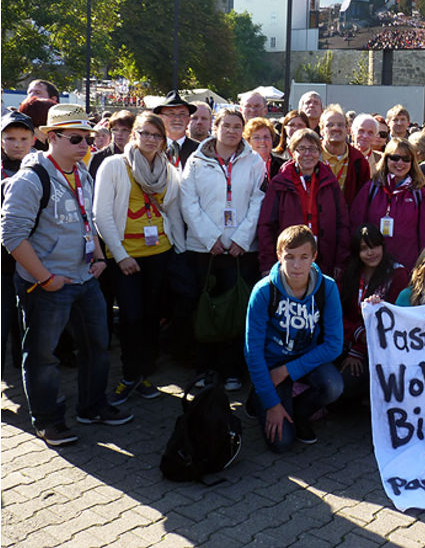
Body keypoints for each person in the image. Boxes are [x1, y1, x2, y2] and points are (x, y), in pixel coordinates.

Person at [1, 104, 132, 446]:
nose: (85, 144)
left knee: (97, 346)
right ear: (53, 138)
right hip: (48, 285)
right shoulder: (30, 179)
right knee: (43, 355)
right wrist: (46, 278)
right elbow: (12, 236)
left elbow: (90, 219)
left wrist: (100, 257)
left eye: (87, 137)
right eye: (76, 138)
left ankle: (92, 405)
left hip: (85, 278)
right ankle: (47, 420)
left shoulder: (82, 173)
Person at [93, 112, 185, 405]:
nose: (150, 140)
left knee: (150, 317)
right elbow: (101, 214)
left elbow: (171, 210)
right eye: (145, 133)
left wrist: (177, 249)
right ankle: (129, 375)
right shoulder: (114, 165)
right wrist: (120, 257)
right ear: (134, 134)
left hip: (159, 253)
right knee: (130, 317)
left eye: (156, 135)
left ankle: (143, 374)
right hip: (126, 257)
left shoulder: (167, 169)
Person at [180, 108, 265, 391]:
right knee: (205, 309)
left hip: (241, 251)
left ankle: (231, 369)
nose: (231, 131)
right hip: (204, 250)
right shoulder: (196, 160)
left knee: (235, 310)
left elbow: (258, 200)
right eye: (226, 125)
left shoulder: (254, 161)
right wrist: (210, 237)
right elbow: (188, 202)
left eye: (236, 126)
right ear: (216, 128)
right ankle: (204, 368)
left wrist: (241, 238)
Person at [244, 225, 344, 452]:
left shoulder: (327, 288)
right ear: (279, 256)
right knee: (281, 443)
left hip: (304, 360)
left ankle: (299, 413)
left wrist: (287, 371)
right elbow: (253, 352)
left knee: (334, 386)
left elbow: (334, 345)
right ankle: (261, 396)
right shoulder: (263, 292)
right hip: (272, 364)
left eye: (304, 257)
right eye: (289, 257)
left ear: (314, 257)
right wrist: (272, 404)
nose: (296, 265)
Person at [257, 128, 349, 278]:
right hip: (290, 260)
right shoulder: (279, 183)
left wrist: (341, 261)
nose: (308, 154)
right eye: (302, 149)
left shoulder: (330, 182)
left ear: (319, 152)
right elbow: (266, 225)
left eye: (312, 149)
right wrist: (267, 263)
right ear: (292, 152)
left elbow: (342, 223)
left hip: (324, 259)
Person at [336, 225, 409, 401]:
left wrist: (359, 351)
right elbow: (336, 313)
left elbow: (392, 319)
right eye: (364, 248)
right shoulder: (349, 273)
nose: (371, 252)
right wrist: (356, 336)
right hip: (347, 341)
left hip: (378, 349)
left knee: (344, 388)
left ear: (383, 246)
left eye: (375, 246)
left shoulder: (397, 274)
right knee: (329, 383)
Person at [350, 138, 425, 271]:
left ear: (412, 163)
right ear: (386, 159)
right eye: (395, 157)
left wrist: (422, 265)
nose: (400, 163)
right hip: (372, 267)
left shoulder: (419, 194)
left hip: (407, 266)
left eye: (406, 159)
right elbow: (356, 224)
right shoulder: (371, 188)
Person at [1, 111, 35, 375]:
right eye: (10, 138)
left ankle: (25, 371)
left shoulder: (41, 170)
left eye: (23, 138)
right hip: (3, 262)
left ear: (33, 140)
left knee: (29, 325)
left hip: (31, 260)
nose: (17, 144)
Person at [320, 105, 370, 208]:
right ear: (321, 130)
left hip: (346, 220)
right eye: (330, 125)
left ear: (347, 129)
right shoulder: (311, 156)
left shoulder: (359, 161)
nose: (336, 128)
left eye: (340, 125)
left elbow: (363, 200)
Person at [154, 91, 199, 169]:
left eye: (182, 114)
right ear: (160, 118)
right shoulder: (153, 147)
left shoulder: (199, 150)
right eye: (171, 114)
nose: (177, 119)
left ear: (189, 119)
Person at [89, 110, 135, 179]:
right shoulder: (99, 157)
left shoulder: (138, 156)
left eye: (124, 130)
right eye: (115, 130)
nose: (119, 134)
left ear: (133, 132)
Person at [243, 116, 285, 191]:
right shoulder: (241, 165)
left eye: (266, 137)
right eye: (256, 137)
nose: (262, 141)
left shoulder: (283, 166)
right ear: (248, 141)